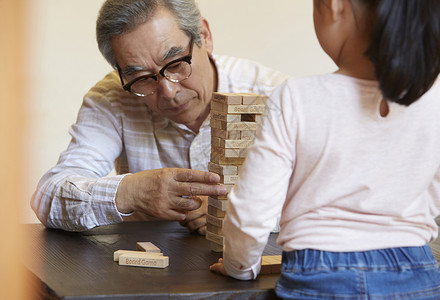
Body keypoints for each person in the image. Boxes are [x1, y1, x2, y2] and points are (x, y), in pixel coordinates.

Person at [210, 0, 440, 298]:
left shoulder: (297, 97)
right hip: (416, 269)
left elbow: (252, 208)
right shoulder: (437, 99)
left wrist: (239, 266)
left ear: (334, 5)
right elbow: (435, 186)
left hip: (321, 273)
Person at [31, 0, 289, 233]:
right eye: (142, 78)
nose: (169, 91)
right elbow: (48, 197)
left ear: (204, 37)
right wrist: (132, 191)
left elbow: (324, 204)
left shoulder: (275, 96)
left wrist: (243, 210)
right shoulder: (111, 98)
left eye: (176, 64)